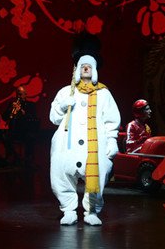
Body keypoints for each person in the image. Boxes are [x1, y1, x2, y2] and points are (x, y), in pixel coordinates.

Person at [49, 54, 121, 226]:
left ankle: (92, 211)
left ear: (94, 70)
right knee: (61, 173)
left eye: (89, 66)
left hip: (94, 146)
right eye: (82, 66)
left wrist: (112, 140)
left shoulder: (103, 94)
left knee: (98, 174)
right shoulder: (66, 91)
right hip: (67, 145)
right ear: (77, 70)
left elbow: (111, 119)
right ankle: (68, 210)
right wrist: (62, 106)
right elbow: (53, 118)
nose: (86, 68)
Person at [1, 86, 39, 167]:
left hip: (26, 131)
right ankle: (15, 156)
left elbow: (33, 118)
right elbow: (4, 117)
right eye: (17, 94)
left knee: (30, 137)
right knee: (4, 137)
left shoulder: (30, 105)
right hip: (14, 130)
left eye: (20, 94)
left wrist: (21, 111)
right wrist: (10, 109)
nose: (18, 96)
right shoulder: (12, 104)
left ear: (25, 94)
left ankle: (28, 159)